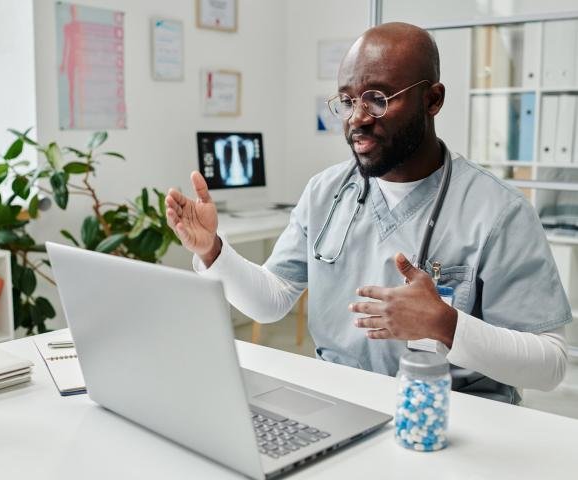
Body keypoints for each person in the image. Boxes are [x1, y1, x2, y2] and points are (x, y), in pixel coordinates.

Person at [166, 22, 571, 404]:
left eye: (378, 99)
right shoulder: (325, 191)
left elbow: (550, 365)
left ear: (433, 99)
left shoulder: (498, 211)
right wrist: (213, 252)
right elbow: (272, 301)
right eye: (347, 101)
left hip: (450, 413)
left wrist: (446, 325)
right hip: (341, 400)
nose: (357, 119)